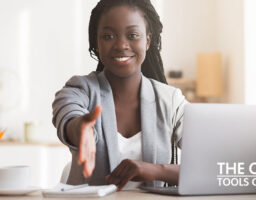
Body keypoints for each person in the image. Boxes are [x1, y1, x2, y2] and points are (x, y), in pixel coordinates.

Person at [52, 0, 187, 191]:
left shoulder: (171, 101)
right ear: (96, 42)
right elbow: (67, 113)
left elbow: (206, 168)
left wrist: (156, 170)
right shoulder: (80, 89)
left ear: (147, 40)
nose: (121, 45)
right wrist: (81, 129)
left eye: (132, 35)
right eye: (108, 36)